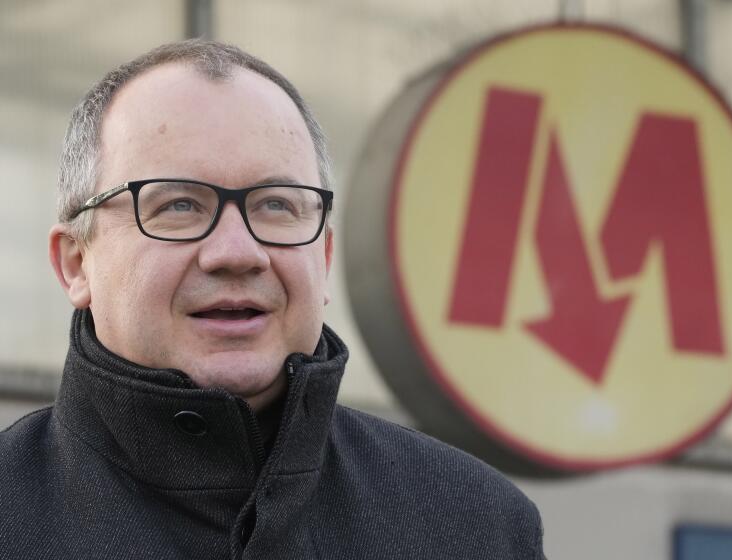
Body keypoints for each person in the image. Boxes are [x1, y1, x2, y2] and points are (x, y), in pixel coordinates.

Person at [0, 40, 545, 559]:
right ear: (75, 263)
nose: (238, 252)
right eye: (179, 205)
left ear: (324, 257)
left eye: (277, 206)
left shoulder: (477, 525)